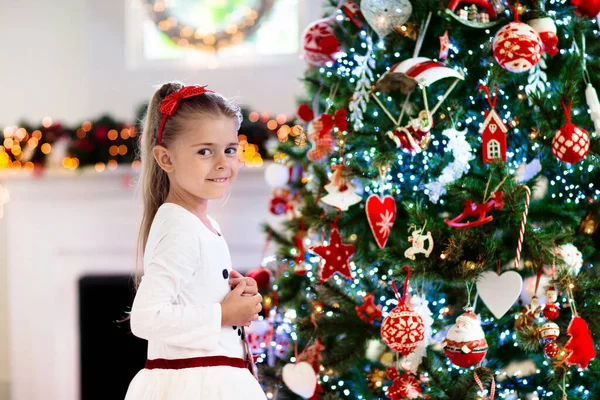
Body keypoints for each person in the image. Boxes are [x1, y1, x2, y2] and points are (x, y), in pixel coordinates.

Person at [125, 82, 267, 399]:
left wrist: (232, 294)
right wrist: (224, 314)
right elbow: (146, 319)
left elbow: (191, 296)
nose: (222, 163)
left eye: (230, 149)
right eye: (205, 151)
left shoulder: (204, 224)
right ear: (166, 159)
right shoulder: (179, 226)